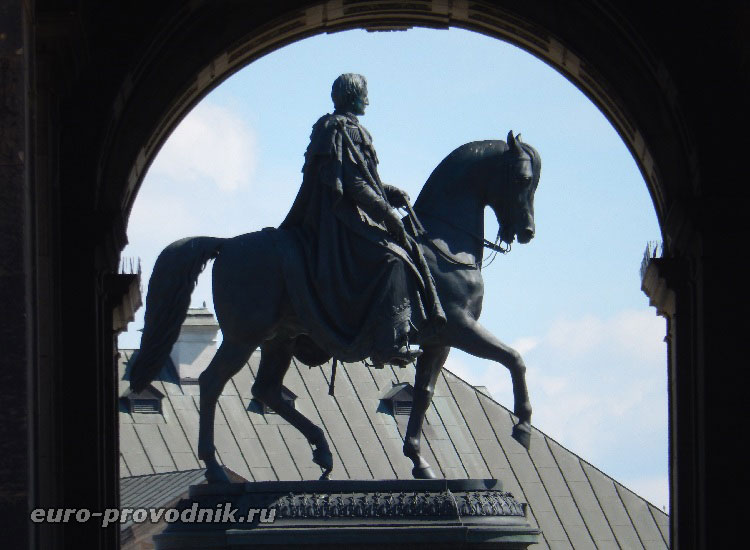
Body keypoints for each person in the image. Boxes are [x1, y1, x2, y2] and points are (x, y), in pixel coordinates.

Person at [280, 73, 445, 366]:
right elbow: (354, 186)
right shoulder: (345, 130)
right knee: (393, 260)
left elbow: (366, 180)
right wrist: (387, 214)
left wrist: (389, 193)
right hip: (338, 221)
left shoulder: (333, 127)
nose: (368, 99)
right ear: (352, 96)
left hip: (335, 215)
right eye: (364, 93)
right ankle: (390, 341)